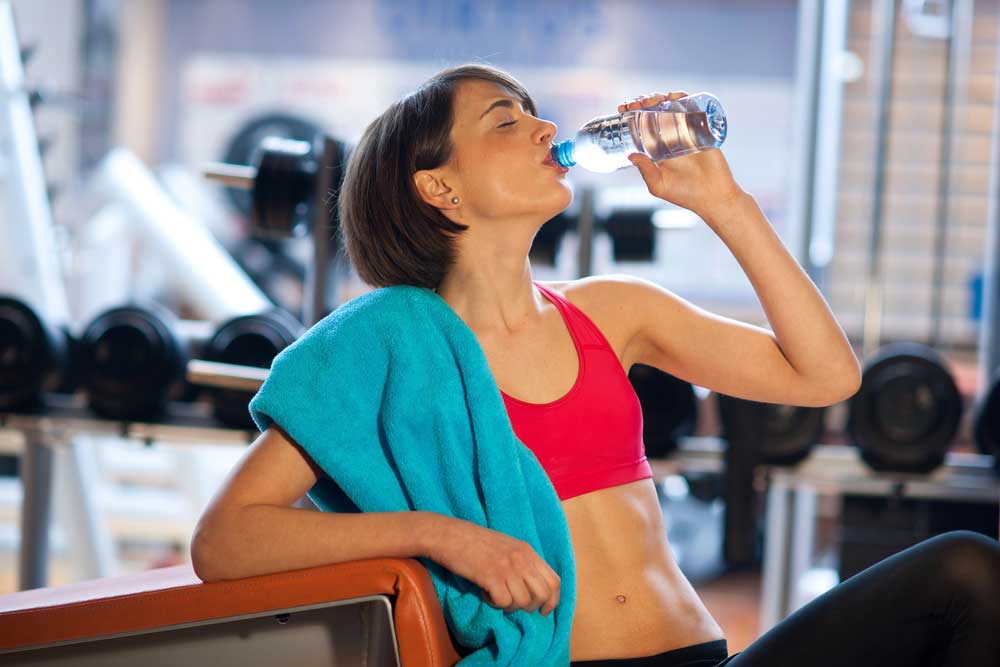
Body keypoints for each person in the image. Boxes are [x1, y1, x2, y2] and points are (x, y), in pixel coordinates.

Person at [191, 64, 1000, 666]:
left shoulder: (611, 312)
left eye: (538, 117)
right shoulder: (390, 347)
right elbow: (226, 540)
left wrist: (723, 203)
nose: (546, 131)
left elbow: (826, 376)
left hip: (701, 656)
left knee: (967, 570)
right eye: (507, 123)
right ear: (440, 187)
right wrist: (449, 539)